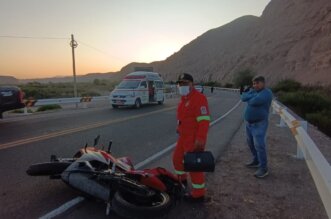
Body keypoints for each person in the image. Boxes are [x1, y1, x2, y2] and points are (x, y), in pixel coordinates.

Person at [173, 73, 211, 202]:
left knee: (194, 166)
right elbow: (183, 118)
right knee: (177, 159)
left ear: (192, 84)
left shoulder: (199, 98)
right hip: (183, 137)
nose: (182, 86)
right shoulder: (183, 100)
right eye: (180, 83)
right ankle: (182, 181)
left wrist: (200, 139)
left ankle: (198, 194)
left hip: (194, 139)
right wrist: (179, 128)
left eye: (185, 83)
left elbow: (204, 121)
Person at [240, 76, 273, 178]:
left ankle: (264, 168)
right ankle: (256, 160)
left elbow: (253, 101)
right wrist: (250, 96)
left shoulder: (266, 93)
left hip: (259, 124)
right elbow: (242, 98)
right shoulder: (255, 92)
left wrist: (249, 96)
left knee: (259, 145)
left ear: (263, 83)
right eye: (253, 84)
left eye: (257, 83)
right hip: (249, 124)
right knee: (250, 143)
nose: (255, 85)